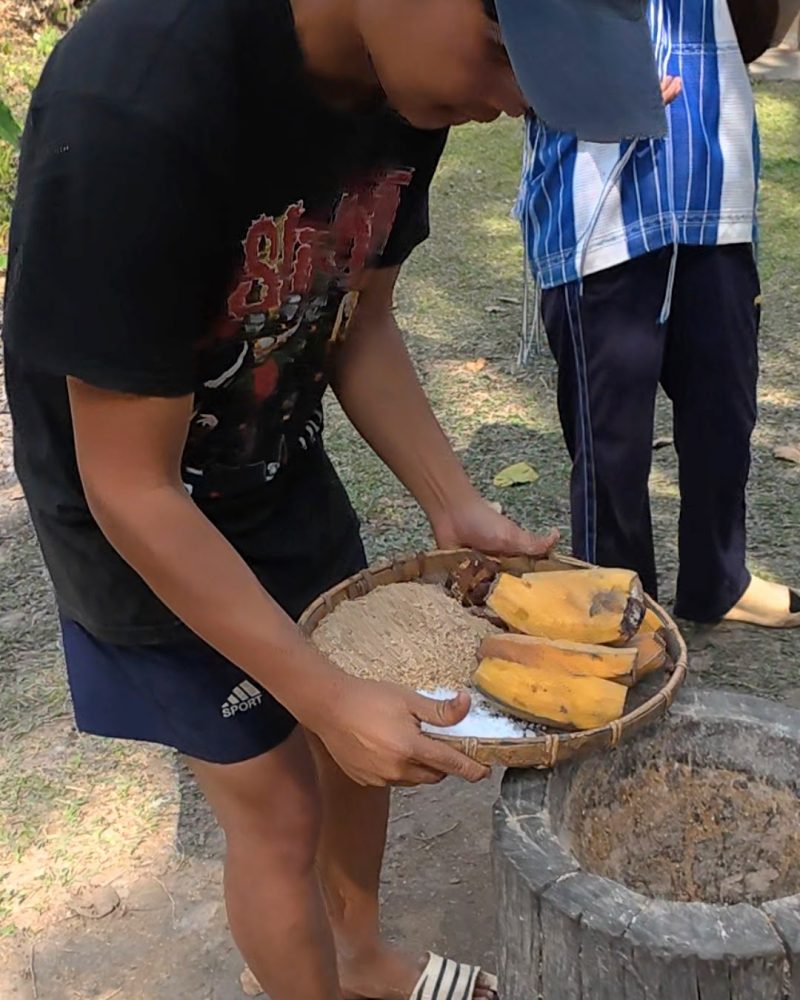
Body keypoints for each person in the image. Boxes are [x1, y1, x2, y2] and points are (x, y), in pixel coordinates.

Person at [1, 1, 573, 998]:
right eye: (501, 52)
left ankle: (362, 960)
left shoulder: (410, 84)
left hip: (275, 465)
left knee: (360, 748)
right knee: (277, 807)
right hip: (134, 520)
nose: (513, 100)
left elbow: (359, 321)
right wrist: (317, 689)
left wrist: (452, 503)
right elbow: (128, 484)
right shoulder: (135, 101)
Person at [517, 0, 800, 629]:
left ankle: (720, 579)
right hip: (597, 199)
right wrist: (584, 78)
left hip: (713, 180)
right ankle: (622, 606)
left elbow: (763, 25)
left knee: (725, 413)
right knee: (611, 442)